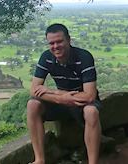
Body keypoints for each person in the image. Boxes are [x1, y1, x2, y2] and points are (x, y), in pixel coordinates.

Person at [27, 23, 101, 164]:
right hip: (61, 103)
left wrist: (54, 92)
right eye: (52, 43)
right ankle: (39, 159)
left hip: (82, 103)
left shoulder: (83, 57)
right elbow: (34, 90)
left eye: (59, 41)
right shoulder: (46, 57)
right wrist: (61, 99)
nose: (55, 46)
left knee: (91, 112)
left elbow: (89, 95)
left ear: (69, 40)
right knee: (32, 104)